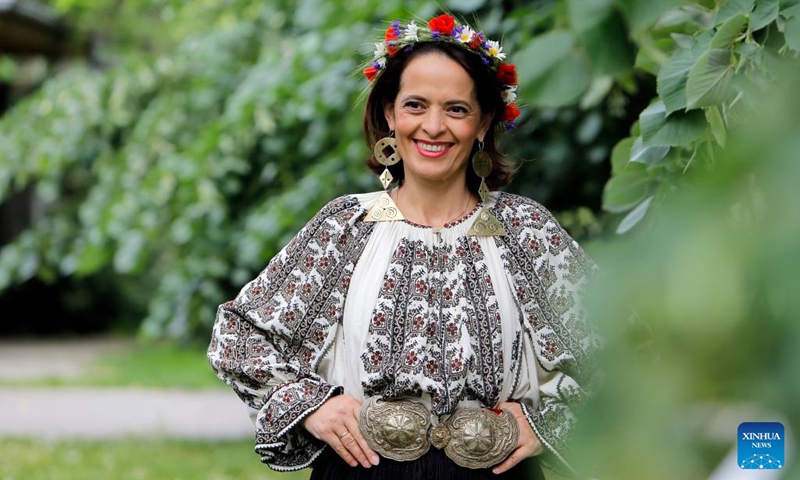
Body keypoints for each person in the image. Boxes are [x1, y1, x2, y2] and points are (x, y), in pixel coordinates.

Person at [207, 13, 599, 480]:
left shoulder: (525, 231)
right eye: (415, 105)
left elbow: (631, 353)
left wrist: (547, 422)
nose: (433, 126)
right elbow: (238, 336)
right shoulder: (345, 227)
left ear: (483, 123)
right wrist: (310, 406)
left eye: (456, 109)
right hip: (362, 471)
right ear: (390, 114)